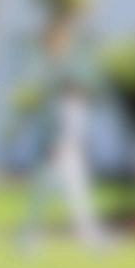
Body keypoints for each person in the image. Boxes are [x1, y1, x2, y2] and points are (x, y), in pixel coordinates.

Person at [18, 54, 110, 254]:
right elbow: (53, 131)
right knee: (41, 200)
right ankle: (27, 240)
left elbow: (79, 135)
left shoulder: (80, 108)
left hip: (73, 158)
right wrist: (53, 149)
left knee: (80, 201)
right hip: (56, 158)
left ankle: (92, 241)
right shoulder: (59, 107)